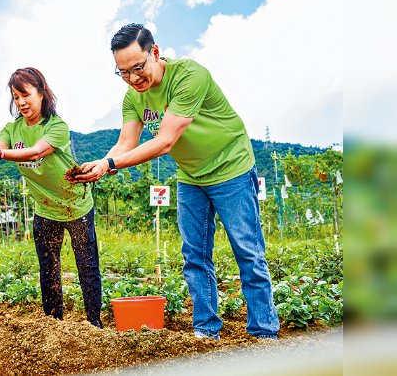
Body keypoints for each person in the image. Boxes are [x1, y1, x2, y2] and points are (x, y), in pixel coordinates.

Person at [68, 24, 279, 339]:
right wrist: (100, 164)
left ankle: (264, 332)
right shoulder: (133, 97)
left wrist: (110, 163)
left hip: (231, 167)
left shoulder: (189, 76)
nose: (133, 78)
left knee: (247, 251)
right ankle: (206, 331)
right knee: (195, 255)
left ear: (155, 52)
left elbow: (165, 141)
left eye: (138, 68)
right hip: (191, 176)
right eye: (123, 72)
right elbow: (125, 144)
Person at [0, 67, 103, 328]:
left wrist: (0, 155)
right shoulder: (12, 129)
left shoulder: (57, 126)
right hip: (45, 208)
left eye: (25, 94)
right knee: (48, 268)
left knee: (87, 266)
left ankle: (94, 323)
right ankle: (52, 326)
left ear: (41, 93)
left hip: (75, 204)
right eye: (15, 97)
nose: (21, 102)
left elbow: (36, 152)